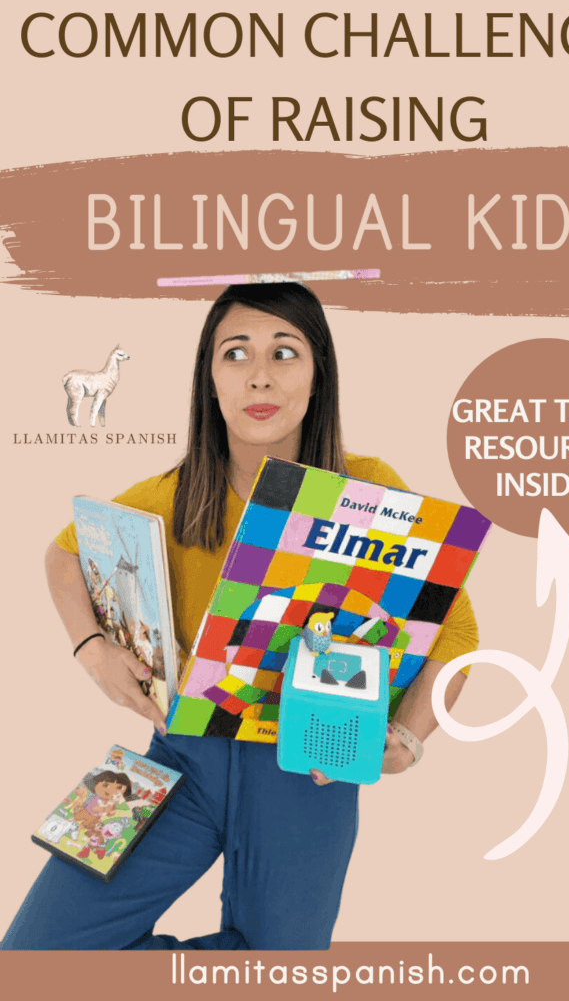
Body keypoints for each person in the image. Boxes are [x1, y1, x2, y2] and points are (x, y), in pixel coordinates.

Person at [2, 283, 478, 951]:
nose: (259, 374)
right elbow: (63, 554)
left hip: (309, 770)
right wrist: (89, 646)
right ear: (210, 380)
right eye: (235, 354)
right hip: (176, 761)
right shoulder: (169, 495)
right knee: (27, 963)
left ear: (317, 378)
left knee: (282, 974)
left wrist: (409, 738)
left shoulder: (372, 491)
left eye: (285, 352)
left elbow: (454, 631)